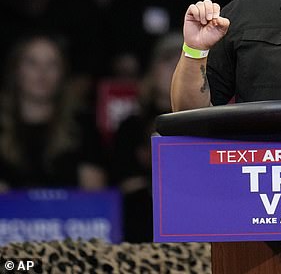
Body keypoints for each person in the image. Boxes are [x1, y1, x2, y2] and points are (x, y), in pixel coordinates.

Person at [0, 33, 106, 191]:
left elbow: (94, 195)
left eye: (52, 64)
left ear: (63, 73)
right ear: (16, 70)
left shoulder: (82, 126)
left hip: (69, 214)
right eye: (32, 63)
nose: (42, 73)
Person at [111, 33, 182, 242]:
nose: (176, 67)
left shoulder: (205, 123)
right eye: (168, 60)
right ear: (152, 70)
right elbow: (122, 185)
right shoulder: (130, 126)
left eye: (183, 61)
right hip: (139, 233)